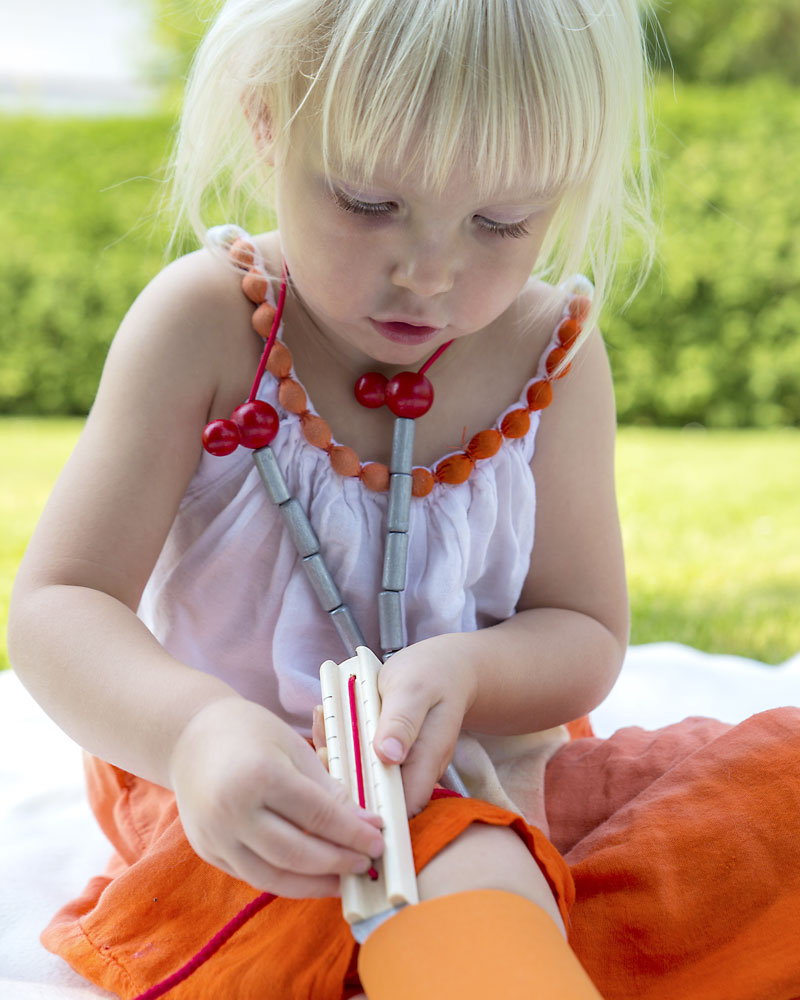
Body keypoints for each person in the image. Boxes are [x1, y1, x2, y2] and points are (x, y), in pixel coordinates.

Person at [8, 0, 800, 998]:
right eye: (367, 201)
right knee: (448, 856)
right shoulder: (206, 324)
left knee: (767, 794)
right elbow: (58, 605)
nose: (428, 272)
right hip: (245, 786)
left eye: (500, 223)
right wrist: (192, 732)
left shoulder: (550, 351)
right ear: (267, 122)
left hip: (488, 754)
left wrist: (468, 671)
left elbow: (582, 631)